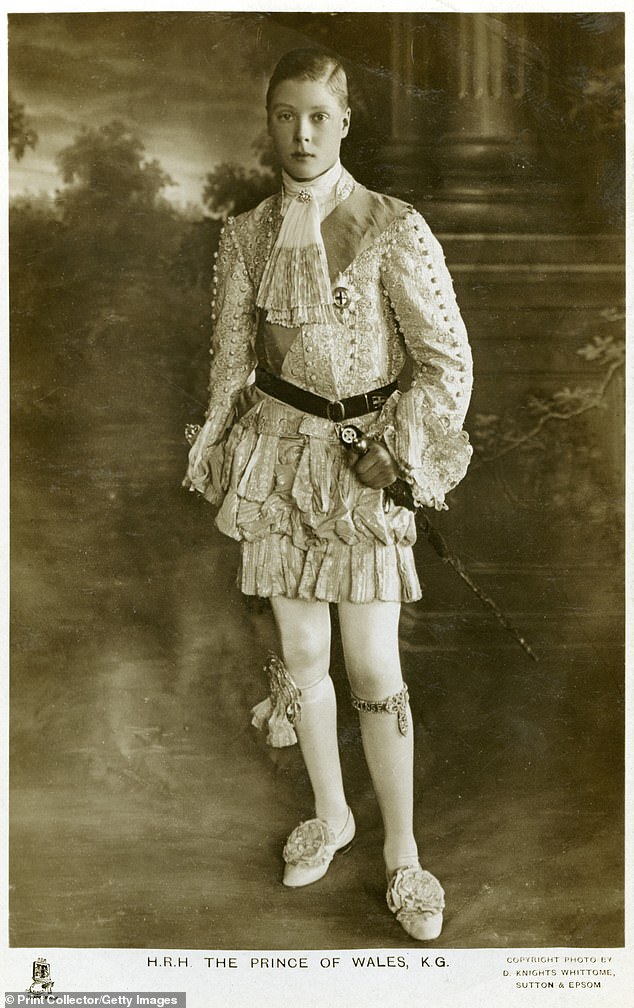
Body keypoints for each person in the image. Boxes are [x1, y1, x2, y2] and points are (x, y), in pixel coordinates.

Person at [184, 47, 473, 942]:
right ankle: (331, 814)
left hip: (362, 466)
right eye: (284, 115)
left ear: (345, 122)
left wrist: (401, 451)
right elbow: (234, 362)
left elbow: (446, 361)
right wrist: (217, 451)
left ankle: (403, 854)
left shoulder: (393, 226)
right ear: (268, 122)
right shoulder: (244, 235)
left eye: (318, 115)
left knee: (374, 668)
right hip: (278, 459)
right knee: (303, 659)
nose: (301, 134)